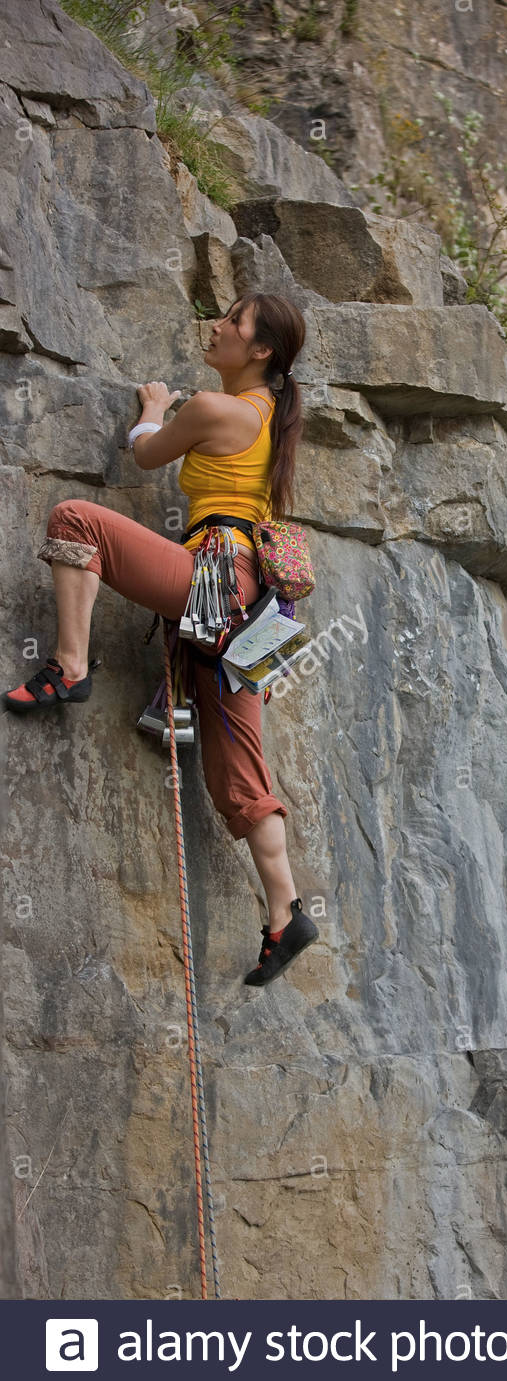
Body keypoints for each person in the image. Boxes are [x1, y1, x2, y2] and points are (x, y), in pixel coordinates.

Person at [3, 292, 318, 987]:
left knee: (77, 520)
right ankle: (285, 913)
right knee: (239, 773)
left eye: (231, 322)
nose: (216, 326)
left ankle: (69, 667)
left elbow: (147, 455)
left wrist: (150, 410)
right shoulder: (272, 416)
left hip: (215, 579)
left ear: (259, 349)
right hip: (255, 605)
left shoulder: (214, 407)